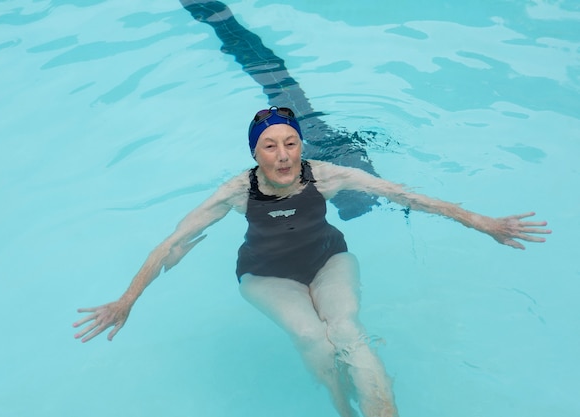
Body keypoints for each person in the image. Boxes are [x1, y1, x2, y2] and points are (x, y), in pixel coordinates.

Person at [73, 106, 550, 417]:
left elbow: (409, 196)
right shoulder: (237, 192)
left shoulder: (329, 176)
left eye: (291, 143)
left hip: (328, 261)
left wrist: (480, 221)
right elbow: (171, 243)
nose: (282, 155)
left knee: (346, 330)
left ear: (301, 145)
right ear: (255, 152)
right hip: (266, 276)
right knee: (313, 338)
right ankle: (342, 407)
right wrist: (127, 299)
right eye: (270, 145)